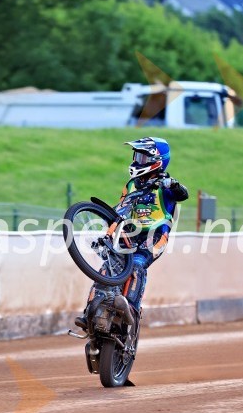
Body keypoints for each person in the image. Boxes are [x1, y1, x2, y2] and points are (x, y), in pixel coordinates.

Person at [75, 136, 189, 331]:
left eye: (142, 158)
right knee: (106, 269)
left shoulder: (167, 185)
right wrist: (107, 234)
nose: (137, 162)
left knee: (136, 266)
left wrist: (173, 184)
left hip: (155, 235)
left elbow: (183, 194)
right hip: (129, 235)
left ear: (157, 160)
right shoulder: (131, 184)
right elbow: (121, 209)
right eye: (136, 156)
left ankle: (130, 309)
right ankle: (89, 313)